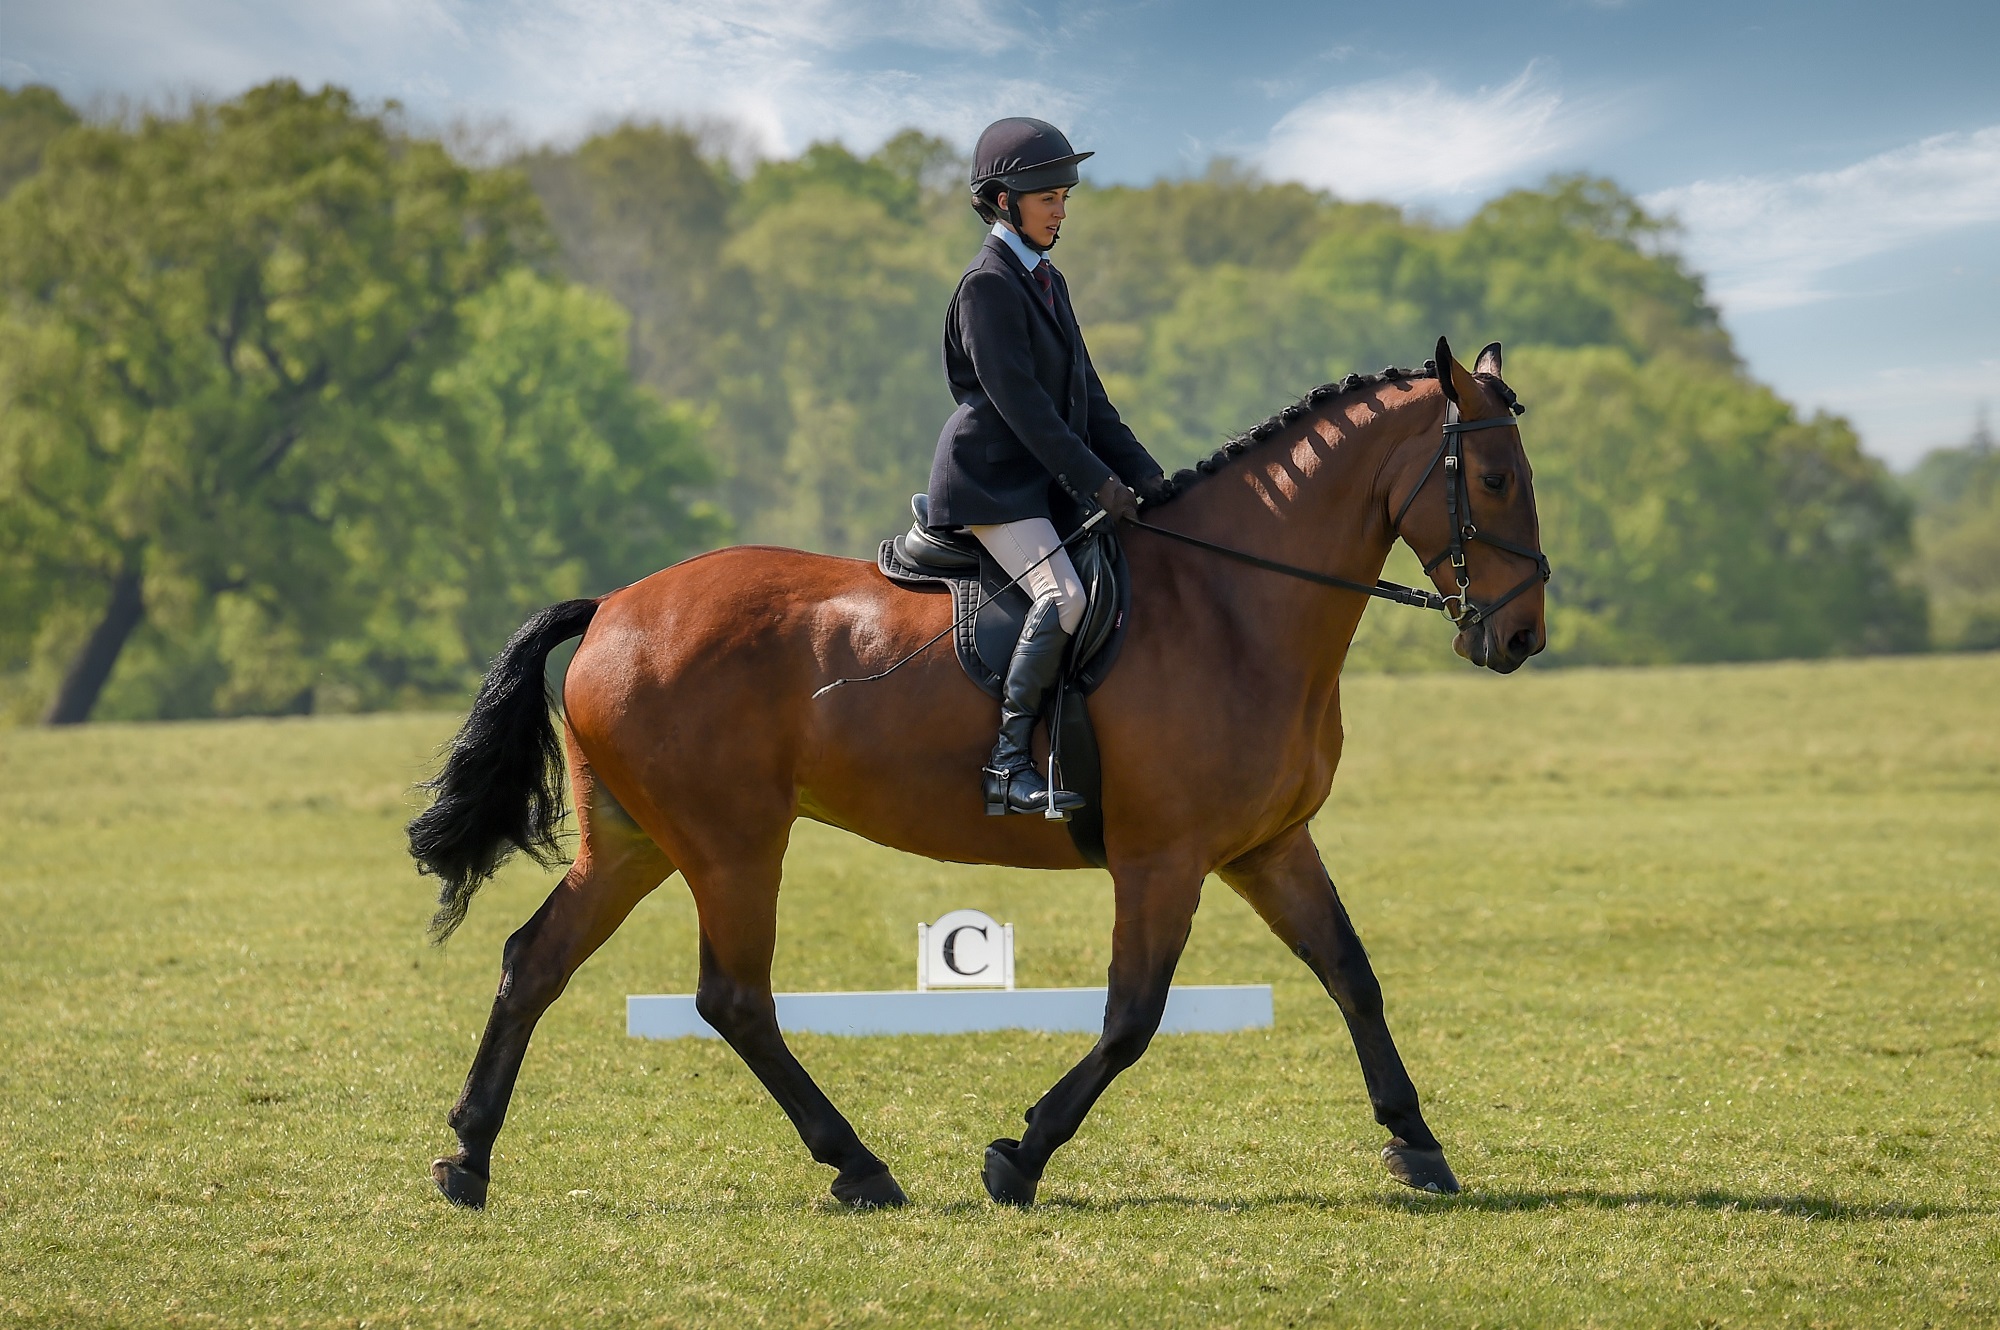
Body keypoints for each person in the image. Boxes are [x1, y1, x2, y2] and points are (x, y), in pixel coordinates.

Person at [926, 117, 1168, 817]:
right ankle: (1006, 763)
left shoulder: (1047, 279)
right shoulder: (987, 287)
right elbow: (1024, 409)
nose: (1062, 212)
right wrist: (1096, 481)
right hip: (991, 484)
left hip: (1034, 485)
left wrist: (1151, 479)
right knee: (1064, 597)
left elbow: (1089, 397)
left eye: (1065, 197)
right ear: (1004, 202)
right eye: (1048, 200)